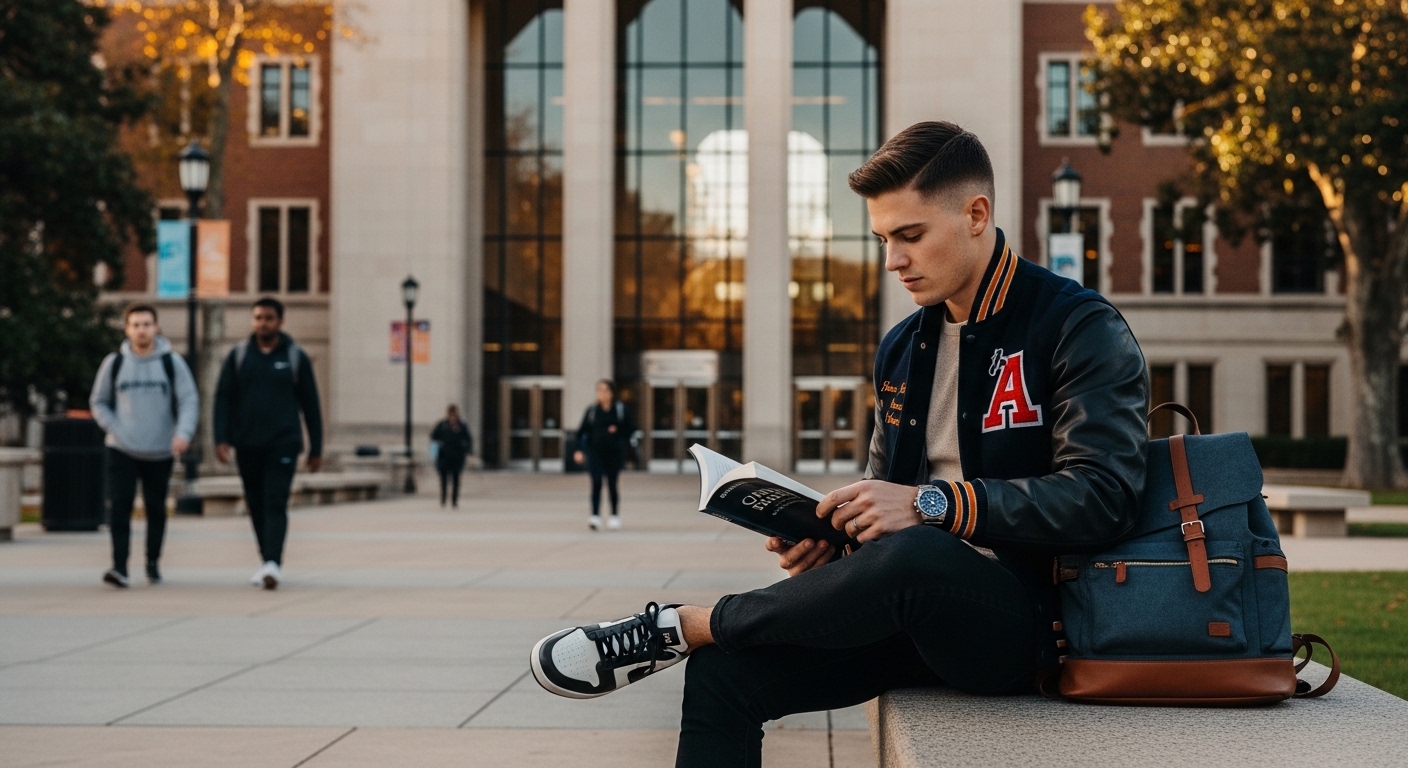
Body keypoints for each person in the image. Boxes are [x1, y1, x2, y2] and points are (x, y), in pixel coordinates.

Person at [528, 122, 1150, 766]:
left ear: (976, 214)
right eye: (882, 239)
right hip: (911, 615)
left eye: (910, 236)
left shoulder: (1077, 327)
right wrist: (832, 543)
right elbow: (886, 508)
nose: (892, 261)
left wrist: (935, 506)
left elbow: (1105, 496)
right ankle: (704, 638)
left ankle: (685, 625)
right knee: (723, 676)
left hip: (1032, 626)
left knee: (915, 551)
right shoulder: (902, 349)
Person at [213, 297, 323, 590]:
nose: (263, 323)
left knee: (275, 502)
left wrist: (317, 448)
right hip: (247, 443)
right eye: (258, 318)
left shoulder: (295, 357)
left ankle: (273, 562)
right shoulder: (238, 356)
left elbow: (311, 405)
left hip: (283, 443)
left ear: (280, 321)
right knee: (256, 504)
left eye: (269, 318)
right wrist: (221, 438)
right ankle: (267, 561)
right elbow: (223, 398)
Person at [90, 303, 199, 588]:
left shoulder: (171, 363)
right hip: (122, 448)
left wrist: (183, 433)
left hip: (160, 448)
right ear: (127, 329)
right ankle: (120, 566)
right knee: (119, 507)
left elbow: (189, 400)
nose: (141, 330)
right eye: (136, 325)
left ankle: (152, 563)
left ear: (156, 328)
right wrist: (116, 429)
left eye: (147, 324)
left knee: (156, 508)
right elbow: (98, 402)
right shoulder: (114, 363)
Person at [572, 379, 636, 531]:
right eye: (599, 390)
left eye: (605, 390)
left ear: (612, 392)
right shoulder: (592, 411)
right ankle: (595, 516)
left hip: (614, 453)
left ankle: (614, 516)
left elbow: (631, 429)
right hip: (595, 453)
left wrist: (618, 431)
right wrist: (579, 450)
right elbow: (582, 431)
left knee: (612, 484)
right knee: (596, 483)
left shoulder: (620, 410)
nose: (602, 393)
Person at [430, 404, 473, 508]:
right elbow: (433, 436)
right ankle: (443, 499)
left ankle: (454, 501)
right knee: (444, 479)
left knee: (456, 479)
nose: (453, 415)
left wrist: (468, 450)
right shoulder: (443, 424)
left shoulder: (461, 425)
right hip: (444, 455)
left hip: (457, 456)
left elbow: (468, 438)